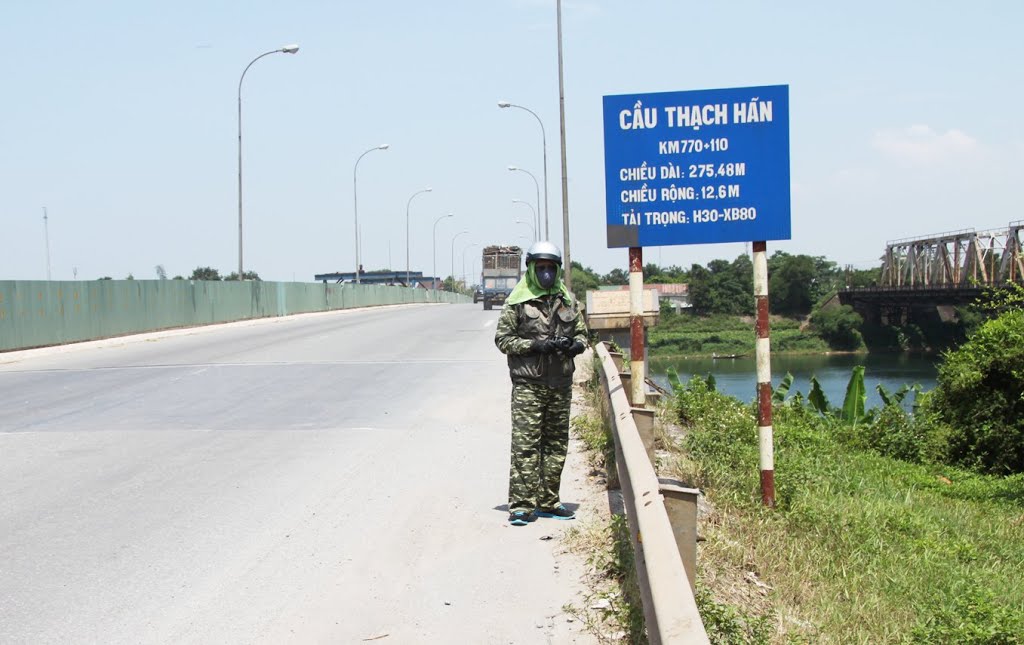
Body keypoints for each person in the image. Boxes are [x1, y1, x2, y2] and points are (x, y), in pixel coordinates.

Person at [494, 241, 588, 526]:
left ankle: (549, 501)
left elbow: (583, 335)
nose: (546, 273)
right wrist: (536, 345)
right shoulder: (518, 302)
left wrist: (574, 345)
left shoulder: (568, 300)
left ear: (558, 269)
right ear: (532, 269)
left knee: (556, 444)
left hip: (560, 383)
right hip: (528, 384)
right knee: (526, 445)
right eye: (541, 268)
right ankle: (522, 505)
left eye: (551, 268)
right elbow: (503, 340)